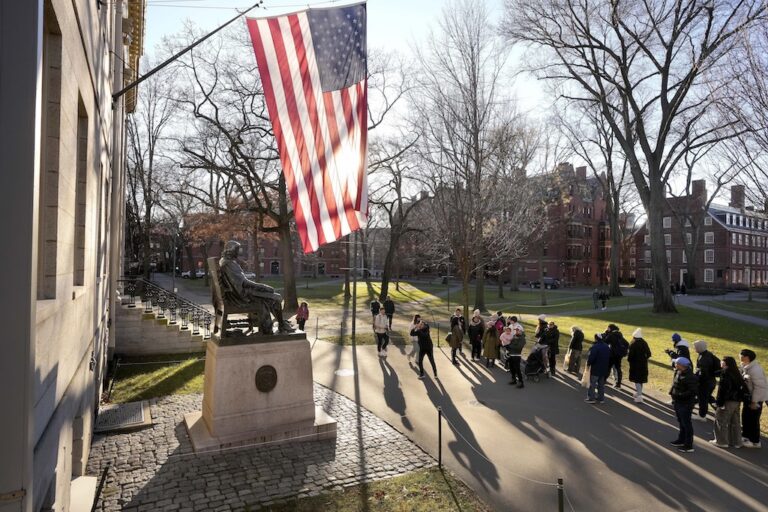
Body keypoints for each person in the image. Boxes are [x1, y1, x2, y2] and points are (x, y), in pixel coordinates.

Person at [710, 356, 745, 448]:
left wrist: (720, 403)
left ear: (726, 363)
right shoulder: (736, 372)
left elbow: (723, 390)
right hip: (737, 401)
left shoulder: (725, 373)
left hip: (727, 401)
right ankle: (737, 442)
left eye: (722, 361)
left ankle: (721, 442)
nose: (720, 362)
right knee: (735, 422)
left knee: (721, 420)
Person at [669, 357, 698, 453]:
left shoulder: (690, 377)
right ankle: (681, 440)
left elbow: (692, 391)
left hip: (685, 403)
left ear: (682, 365)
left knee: (686, 423)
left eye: (676, 364)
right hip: (678, 401)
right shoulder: (678, 372)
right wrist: (671, 392)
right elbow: (675, 384)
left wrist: (680, 395)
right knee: (681, 422)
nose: (675, 365)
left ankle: (688, 445)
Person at [740, 349, 767, 448]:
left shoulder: (755, 370)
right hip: (749, 397)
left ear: (747, 357)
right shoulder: (746, 366)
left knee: (753, 419)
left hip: (756, 399)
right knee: (746, 416)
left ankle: (755, 441)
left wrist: (754, 401)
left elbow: (760, 387)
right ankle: (746, 436)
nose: (740, 357)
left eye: (742, 355)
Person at [693, 340, 720, 422]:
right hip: (711, 381)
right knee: (708, 397)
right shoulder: (708, 354)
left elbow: (703, 372)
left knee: (703, 399)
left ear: (699, 348)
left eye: (695, 347)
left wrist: (696, 378)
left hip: (705, 382)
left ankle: (702, 416)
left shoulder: (704, 358)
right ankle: (719, 410)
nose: (694, 348)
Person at [627, 328, 652, 403]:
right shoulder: (644, 342)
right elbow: (649, 354)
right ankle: (639, 392)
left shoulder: (633, 343)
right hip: (643, 364)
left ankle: (640, 396)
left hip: (635, 365)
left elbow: (630, 355)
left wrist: (630, 360)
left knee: (636, 380)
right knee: (641, 379)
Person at [585, 334, 611, 404]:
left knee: (593, 384)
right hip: (604, 368)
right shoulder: (606, 346)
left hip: (596, 368)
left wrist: (588, 364)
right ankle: (600, 398)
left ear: (596, 339)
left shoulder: (595, 347)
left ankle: (591, 398)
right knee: (601, 384)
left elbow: (591, 357)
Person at [604, 323, 628, 388]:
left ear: (611, 328)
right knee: (618, 368)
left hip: (612, 355)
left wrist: (606, 333)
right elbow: (627, 344)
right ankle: (618, 383)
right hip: (619, 355)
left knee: (608, 367)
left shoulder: (611, 335)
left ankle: (603, 381)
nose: (607, 329)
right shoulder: (620, 335)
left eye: (608, 328)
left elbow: (605, 341)